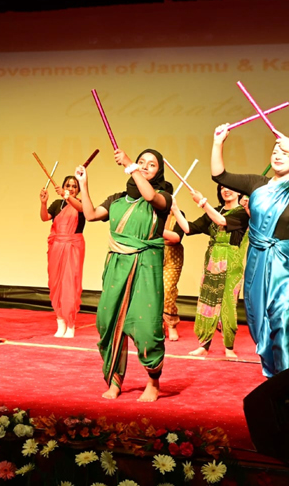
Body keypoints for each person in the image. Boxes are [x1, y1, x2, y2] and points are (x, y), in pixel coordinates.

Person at [211, 123, 289, 377]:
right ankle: (275, 377)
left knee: (284, 321)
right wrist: (218, 142)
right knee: (261, 326)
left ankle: (288, 383)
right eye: (275, 151)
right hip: (259, 261)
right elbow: (220, 175)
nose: (278, 155)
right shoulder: (257, 184)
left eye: (284, 152)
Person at [76, 148, 171, 402]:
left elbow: (149, 195)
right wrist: (84, 184)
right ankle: (115, 381)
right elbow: (91, 215)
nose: (145, 166)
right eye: (142, 162)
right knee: (107, 322)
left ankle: (153, 382)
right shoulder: (117, 199)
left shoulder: (163, 197)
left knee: (146, 327)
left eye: (151, 164)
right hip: (117, 267)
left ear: (158, 171)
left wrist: (131, 164)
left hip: (146, 267)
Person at [170, 185, 249, 359]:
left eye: (230, 188)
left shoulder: (243, 213)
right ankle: (203, 345)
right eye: (222, 188)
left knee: (228, 303)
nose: (225, 190)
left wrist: (203, 202)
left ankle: (229, 347)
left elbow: (222, 221)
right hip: (212, 261)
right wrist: (174, 208)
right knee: (207, 302)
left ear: (239, 191)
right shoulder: (215, 211)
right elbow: (188, 228)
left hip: (231, 262)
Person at [40, 176, 86, 338]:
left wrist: (66, 196)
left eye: (74, 186)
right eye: (68, 185)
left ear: (78, 189)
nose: (71, 188)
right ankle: (60, 321)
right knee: (56, 283)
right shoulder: (57, 204)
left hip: (73, 246)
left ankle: (70, 324)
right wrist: (44, 203)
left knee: (70, 283)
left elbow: (82, 209)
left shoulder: (81, 203)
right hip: (57, 246)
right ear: (64, 186)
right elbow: (44, 217)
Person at [162, 208, 185, 341]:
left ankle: (171, 324)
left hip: (172, 258)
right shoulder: (150, 212)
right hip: (152, 256)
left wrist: (157, 235)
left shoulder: (178, 214)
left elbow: (176, 238)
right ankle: (157, 325)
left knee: (168, 291)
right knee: (152, 292)